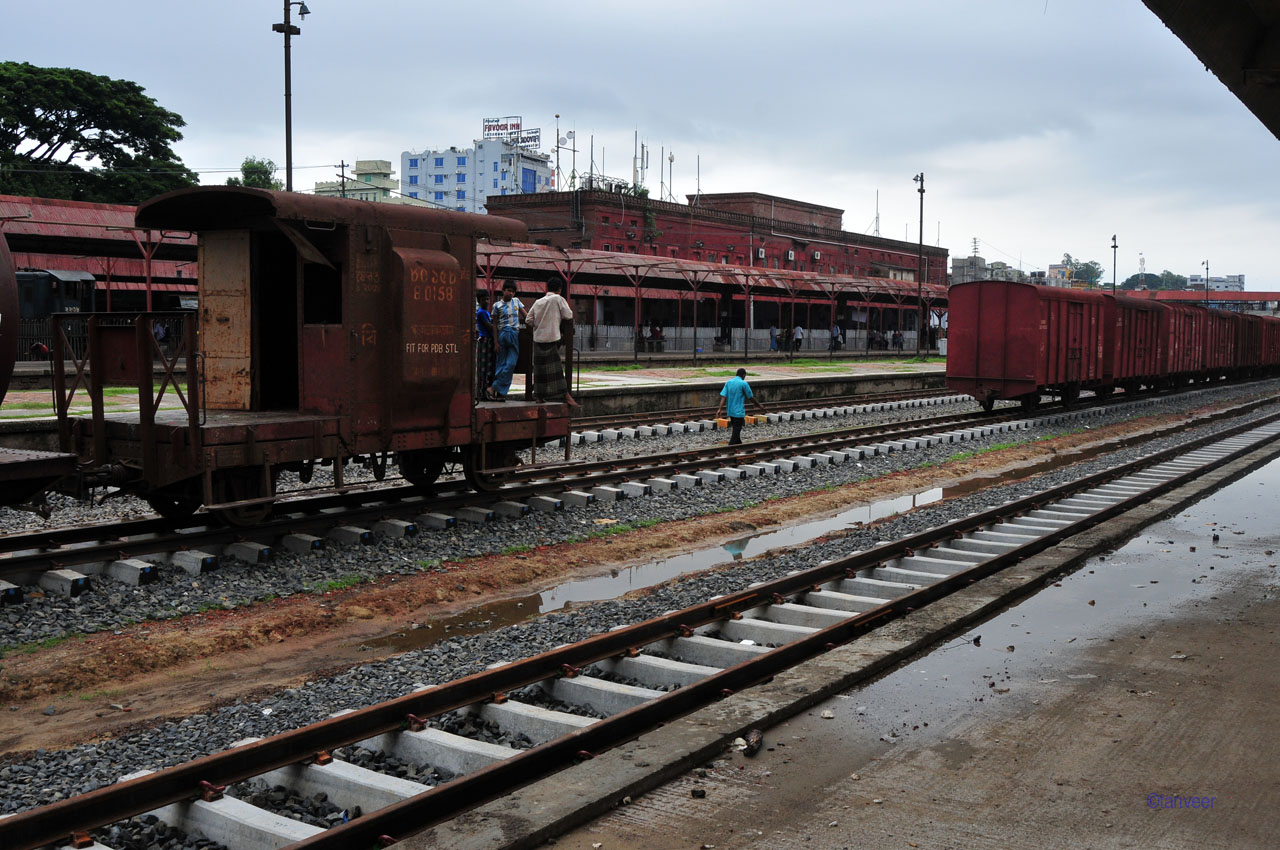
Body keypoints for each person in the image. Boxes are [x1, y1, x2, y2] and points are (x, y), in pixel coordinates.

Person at [525, 278, 579, 408]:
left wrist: (539, 326)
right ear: (560, 289)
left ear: (547, 288)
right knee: (556, 371)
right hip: (552, 338)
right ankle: (566, 395)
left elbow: (528, 320)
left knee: (539, 370)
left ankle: (539, 396)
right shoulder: (558, 299)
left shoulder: (538, 302)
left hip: (538, 339)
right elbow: (568, 315)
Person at [488, 280, 525, 401]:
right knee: (501, 364)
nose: (511, 293)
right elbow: (494, 324)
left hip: (514, 333)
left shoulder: (517, 301)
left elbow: (526, 316)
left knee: (511, 364)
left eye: (513, 291)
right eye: (509, 291)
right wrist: (496, 342)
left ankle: (493, 387)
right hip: (503, 333)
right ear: (503, 291)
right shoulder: (496, 305)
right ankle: (501, 394)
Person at [715, 367, 766, 446]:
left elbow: (723, 397)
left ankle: (739, 446)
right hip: (739, 412)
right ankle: (730, 448)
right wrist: (759, 405)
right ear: (743, 375)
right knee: (736, 432)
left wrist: (719, 409)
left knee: (736, 430)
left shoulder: (728, 383)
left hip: (731, 412)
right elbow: (751, 397)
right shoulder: (743, 383)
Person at [475, 290, 494, 402]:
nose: (486, 301)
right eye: (483, 300)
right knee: (484, 368)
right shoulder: (481, 313)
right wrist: (497, 325)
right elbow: (489, 327)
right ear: (479, 301)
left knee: (487, 367)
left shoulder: (485, 312)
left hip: (487, 340)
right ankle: (482, 393)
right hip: (485, 341)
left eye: (487, 299)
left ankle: (483, 392)